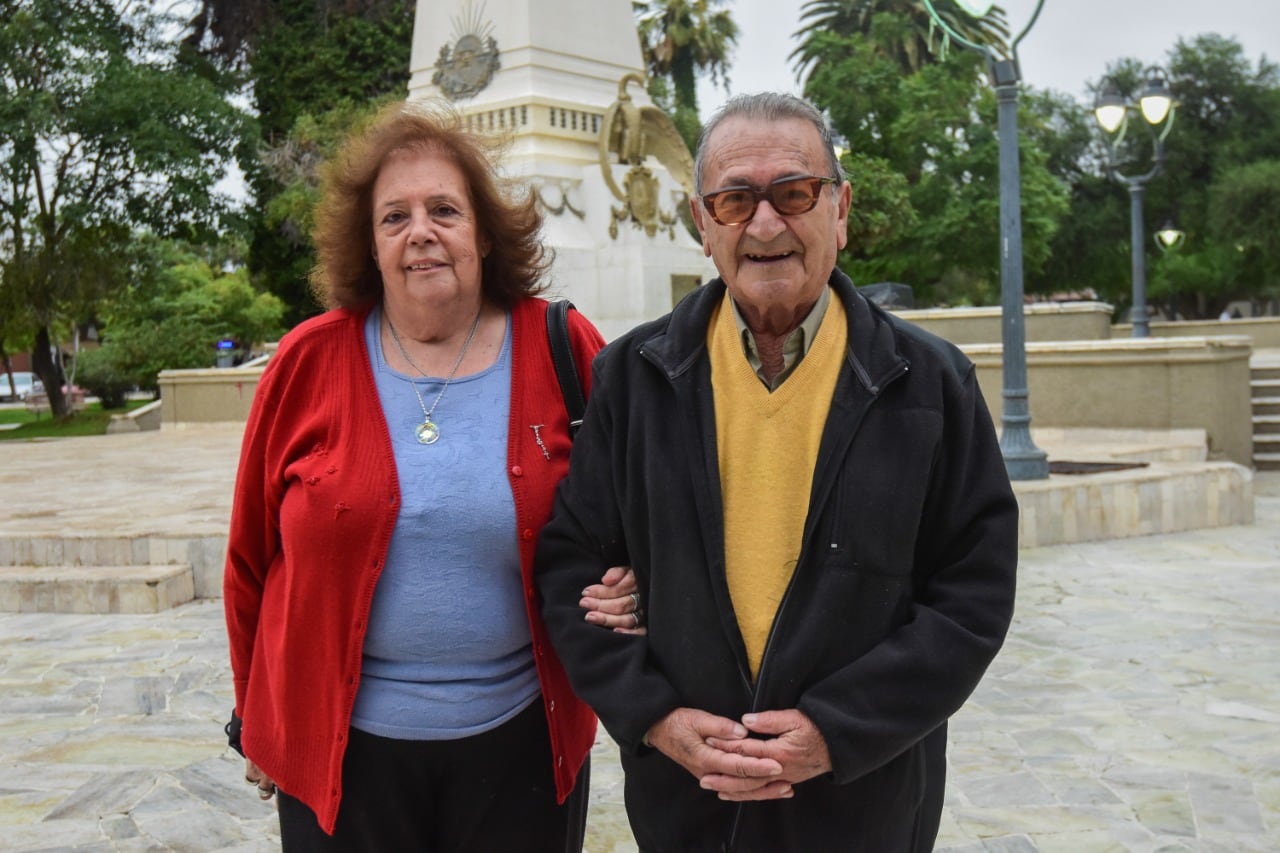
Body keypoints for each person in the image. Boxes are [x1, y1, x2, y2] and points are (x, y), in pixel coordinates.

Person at [535, 92, 1020, 852]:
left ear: (840, 209)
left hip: (863, 805)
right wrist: (655, 716)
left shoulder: (930, 383)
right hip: (690, 805)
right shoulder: (632, 377)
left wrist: (835, 729)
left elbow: (973, 598)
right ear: (704, 224)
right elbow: (570, 562)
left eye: (794, 194)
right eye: (735, 200)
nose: (765, 225)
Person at [222, 100, 643, 850]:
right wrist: (258, 718)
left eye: (444, 209)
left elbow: (633, 512)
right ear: (371, 244)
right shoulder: (305, 363)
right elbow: (250, 562)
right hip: (343, 758)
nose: (421, 231)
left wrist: (633, 581)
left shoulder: (561, 345)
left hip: (522, 744)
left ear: (483, 231)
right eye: (395, 217)